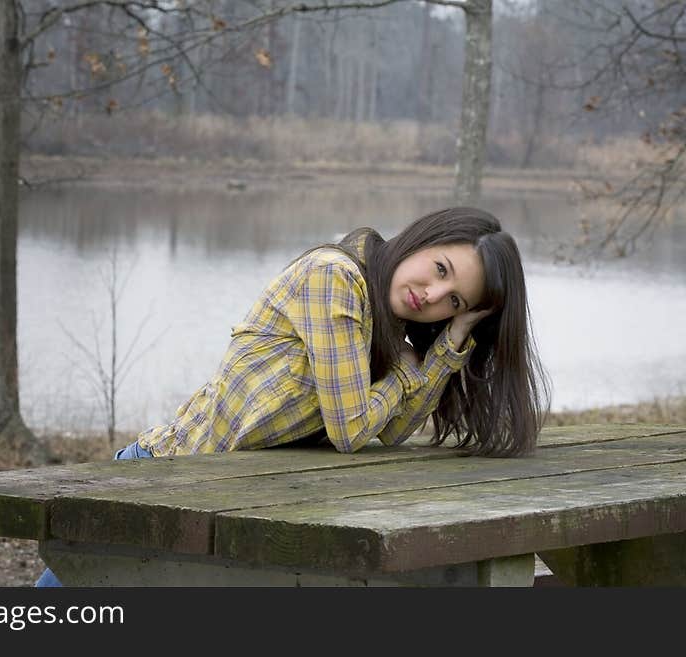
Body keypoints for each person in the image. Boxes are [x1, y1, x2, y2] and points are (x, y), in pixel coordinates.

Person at [35, 206, 549, 587]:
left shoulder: (387, 320)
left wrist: (452, 343)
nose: (433, 296)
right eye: (440, 270)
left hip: (224, 498)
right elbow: (352, 430)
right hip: (162, 478)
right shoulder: (337, 277)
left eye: (453, 301)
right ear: (422, 239)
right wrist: (401, 378)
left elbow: (388, 431)